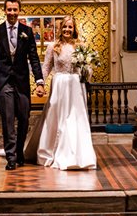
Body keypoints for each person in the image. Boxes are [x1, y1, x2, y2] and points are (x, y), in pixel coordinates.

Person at [0, 0, 44, 170]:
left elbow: (34, 59)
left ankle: (19, 153)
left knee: (24, 119)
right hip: (4, 83)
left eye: (15, 9)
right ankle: (11, 158)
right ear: (4, 11)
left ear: (19, 11)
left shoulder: (27, 31)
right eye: (9, 9)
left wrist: (39, 81)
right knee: (8, 121)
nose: (12, 12)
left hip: (22, 83)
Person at [36, 15, 97, 170]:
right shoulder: (53, 47)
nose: (67, 30)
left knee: (76, 119)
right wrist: (40, 84)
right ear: (60, 28)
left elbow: (87, 69)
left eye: (70, 27)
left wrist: (87, 70)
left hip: (76, 86)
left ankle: (78, 155)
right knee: (57, 118)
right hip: (60, 86)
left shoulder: (80, 47)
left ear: (74, 29)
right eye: (65, 26)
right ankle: (53, 152)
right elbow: (46, 67)